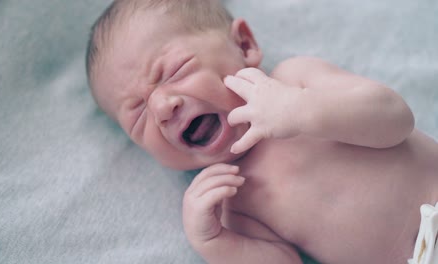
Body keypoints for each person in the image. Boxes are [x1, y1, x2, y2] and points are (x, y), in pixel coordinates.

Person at [85, 0, 438, 263]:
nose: (162, 107)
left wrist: (302, 109)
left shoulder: (294, 79)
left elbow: (396, 118)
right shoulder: (231, 200)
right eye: (138, 114)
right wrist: (215, 243)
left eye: (174, 70)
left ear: (244, 45)